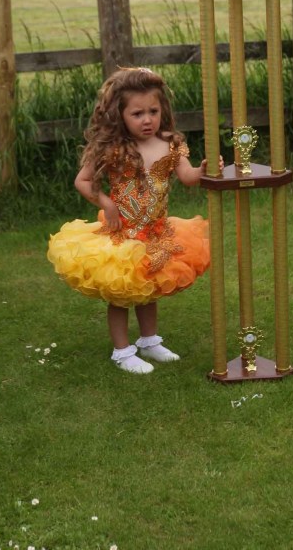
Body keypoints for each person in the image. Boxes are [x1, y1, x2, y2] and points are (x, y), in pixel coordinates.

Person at [47, 67, 217, 374]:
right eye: (137, 113)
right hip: (123, 234)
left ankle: (149, 341)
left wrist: (203, 169)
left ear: (162, 109)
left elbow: (188, 177)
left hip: (157, 231)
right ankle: (122, 351)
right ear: (119, 115)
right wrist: (106, 203)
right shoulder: (112, 147)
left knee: (149, 287)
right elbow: (82, 181)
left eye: (153, 111)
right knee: (122, 293)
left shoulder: (170, 143)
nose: (147, 119)